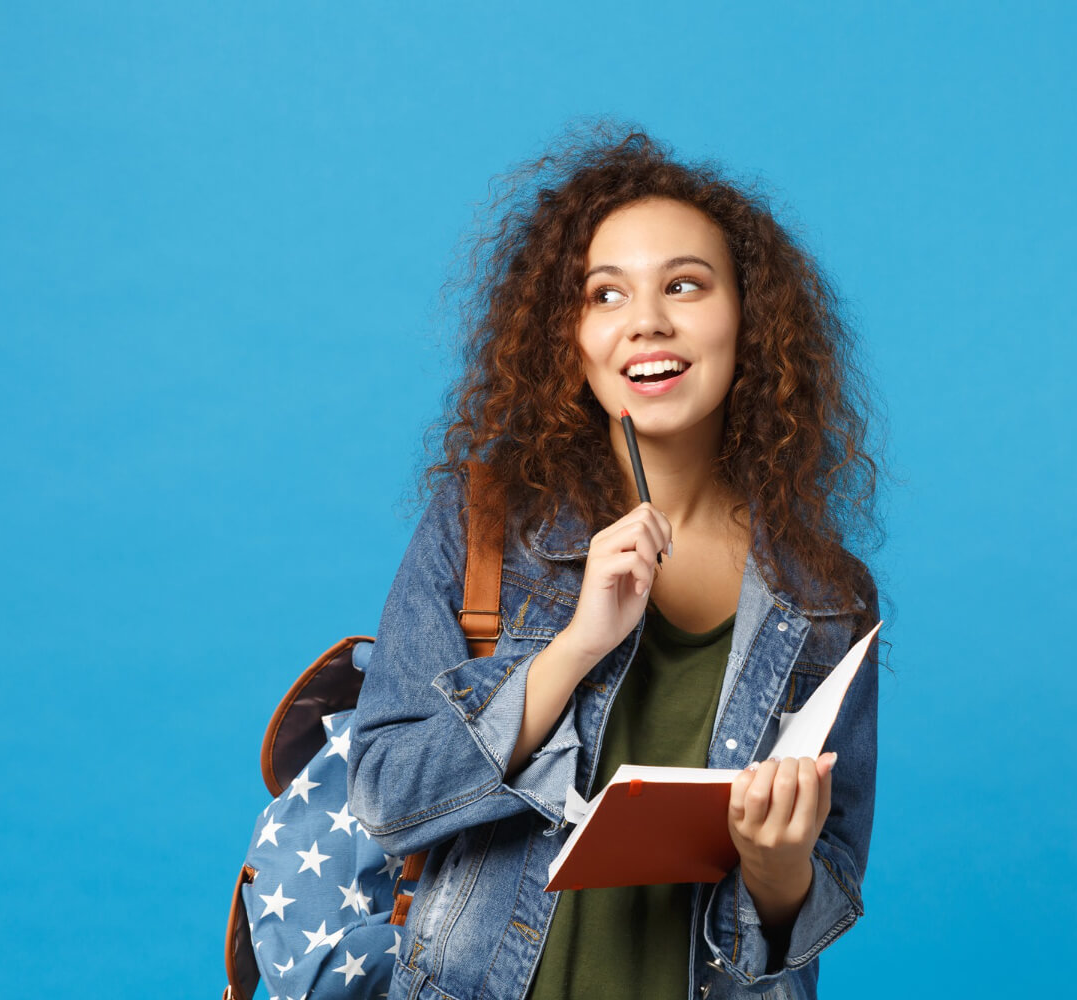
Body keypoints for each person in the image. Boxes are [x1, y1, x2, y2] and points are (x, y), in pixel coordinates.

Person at [348, 128, 882, 1000]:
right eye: (606, 294)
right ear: (572, 337)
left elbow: (822, 901)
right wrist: (572, 649)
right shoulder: (483, 523)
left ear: (748, 320)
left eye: (684, 285)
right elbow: (386, 799)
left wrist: (778, 866)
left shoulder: (826, 600)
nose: (647, 321)